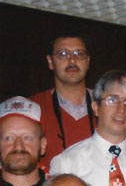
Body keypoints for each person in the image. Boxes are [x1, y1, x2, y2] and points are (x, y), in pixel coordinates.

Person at [30, 34, 96, 164]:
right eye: (63, 54)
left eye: (79, 53)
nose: (72, 60)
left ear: (88, 62)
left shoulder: (110, 106)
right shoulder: (33, 107)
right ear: (50, 62)